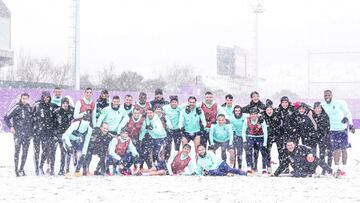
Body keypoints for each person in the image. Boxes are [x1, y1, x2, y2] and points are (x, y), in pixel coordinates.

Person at [322, 90, 355, 176]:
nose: (327, 97)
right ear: (324, 96)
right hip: (332, 130)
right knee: (335, 150)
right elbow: (315, 110)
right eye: (325, 95)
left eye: (328, 95)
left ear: (332, 95)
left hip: (342, 129)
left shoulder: (339, 103)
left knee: (343, 149)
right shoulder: (323, 105)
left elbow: (347, 112)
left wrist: (350, 124)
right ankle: (337, 169)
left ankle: (344, 169)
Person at [4, 93, 33, 177]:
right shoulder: (16, 107)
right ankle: (16, 170)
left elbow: (32, 120)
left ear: (28, 99)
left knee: (25, 152)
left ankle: (21, 169)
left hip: (27, 134)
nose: (25, 100)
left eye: (26, 99)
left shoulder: (29, 108)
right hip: (18, 134)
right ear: (20, 98)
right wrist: (11, 127)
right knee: (17, 152)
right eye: (23, 98)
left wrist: (31, 132)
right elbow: (6, 117)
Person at [32, 91, 56, 175]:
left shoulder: (52, 106)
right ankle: (36, 169)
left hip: (47, 133)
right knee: (36, 151)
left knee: (45, 150)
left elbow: (59, 112)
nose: (46, 98)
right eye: (45, 97)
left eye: (48, 97)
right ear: (42, 97)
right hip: (37, 132)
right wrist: (33, 129)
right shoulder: (37, 105)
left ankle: (41, 166)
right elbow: (31, 117)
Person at [242, 107, 269, 174]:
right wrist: (244, 140)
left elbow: (265, 131)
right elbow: (243, 130)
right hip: (250, 137)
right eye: (252, 114)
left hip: (260, 137)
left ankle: (264, 168)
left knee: (263, 153)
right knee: (248, 152)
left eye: (255, 114)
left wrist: (265, 142)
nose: (253, 115)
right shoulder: (247, 120)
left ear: (257, 114)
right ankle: (249, 168)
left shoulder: (261, 120)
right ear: (250, 115)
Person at [53, 97, 74, 175]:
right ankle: (52, 169)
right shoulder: (56, 111)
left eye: (66, 103)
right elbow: (53, 123)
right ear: (61, 104)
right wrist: (55, 133)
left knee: (64, 152)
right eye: (64, 103)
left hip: (66, 135)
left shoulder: (71, 111)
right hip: (58, 134)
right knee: (53, 152)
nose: (65, 105)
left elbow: (75, 121)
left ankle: (62, 169)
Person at [261, 100, 282, 173]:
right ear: (265, 110)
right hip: (268, 136)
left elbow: (281, 124)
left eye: (270, 110)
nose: (269, 111)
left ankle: (282, 166)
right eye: (267, 110)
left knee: (281, 151)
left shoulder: (277, 115)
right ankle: (268, 167)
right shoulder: (263, 116)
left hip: (278, 135)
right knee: (267, 152)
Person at [312, 102, 332, 172]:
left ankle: (327, 169)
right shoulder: (312, 116)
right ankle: (314, 169)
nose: (317, 110)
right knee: (315, 154)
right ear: (314, 109)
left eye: (319, 108)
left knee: (324, 153)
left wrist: (324, 135)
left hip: (324, 136)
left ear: (321, 108)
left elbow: (327, 127)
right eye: (316, 108)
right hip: (315, 137)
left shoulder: (325, 116)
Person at [230, 105, 246, 169]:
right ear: (234, 111)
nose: (237, 112)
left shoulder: (244, 118)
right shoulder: (231, 118)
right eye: (236, 111)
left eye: (239, 110)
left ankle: (239, 166)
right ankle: (233, 166)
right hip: (234, 136)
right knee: (233, 152)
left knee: (240, 152)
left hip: (241, 137)